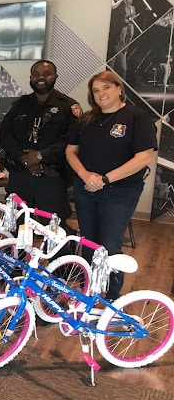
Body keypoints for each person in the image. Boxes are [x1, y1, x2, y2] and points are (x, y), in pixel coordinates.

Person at [66, 70, 156, 301]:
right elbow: (70, 151)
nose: (101, 94)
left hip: (120, 192)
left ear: (119, 88)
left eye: (106, 87)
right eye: (96, 90)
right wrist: (86, 175)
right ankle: (88, 291)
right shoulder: (86, 120)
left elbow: (143, 157)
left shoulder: (138, 117)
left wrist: (104, 179)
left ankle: (112, 297)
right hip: (86, 189)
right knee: (88, 243)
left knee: (109, 244)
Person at [0, 60, 79, 225]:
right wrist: (23, 157)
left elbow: (72, 139)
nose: (40, 78)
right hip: (20, 175)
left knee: (52, 231)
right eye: (36, 74)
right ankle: (16, 252)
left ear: (55, 76)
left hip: (51, 178)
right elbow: (5, 134)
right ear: (30, 78)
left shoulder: (68, 106)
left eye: (46, 74)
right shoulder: (20, 105)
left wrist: (41, 156)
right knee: (13, 226)